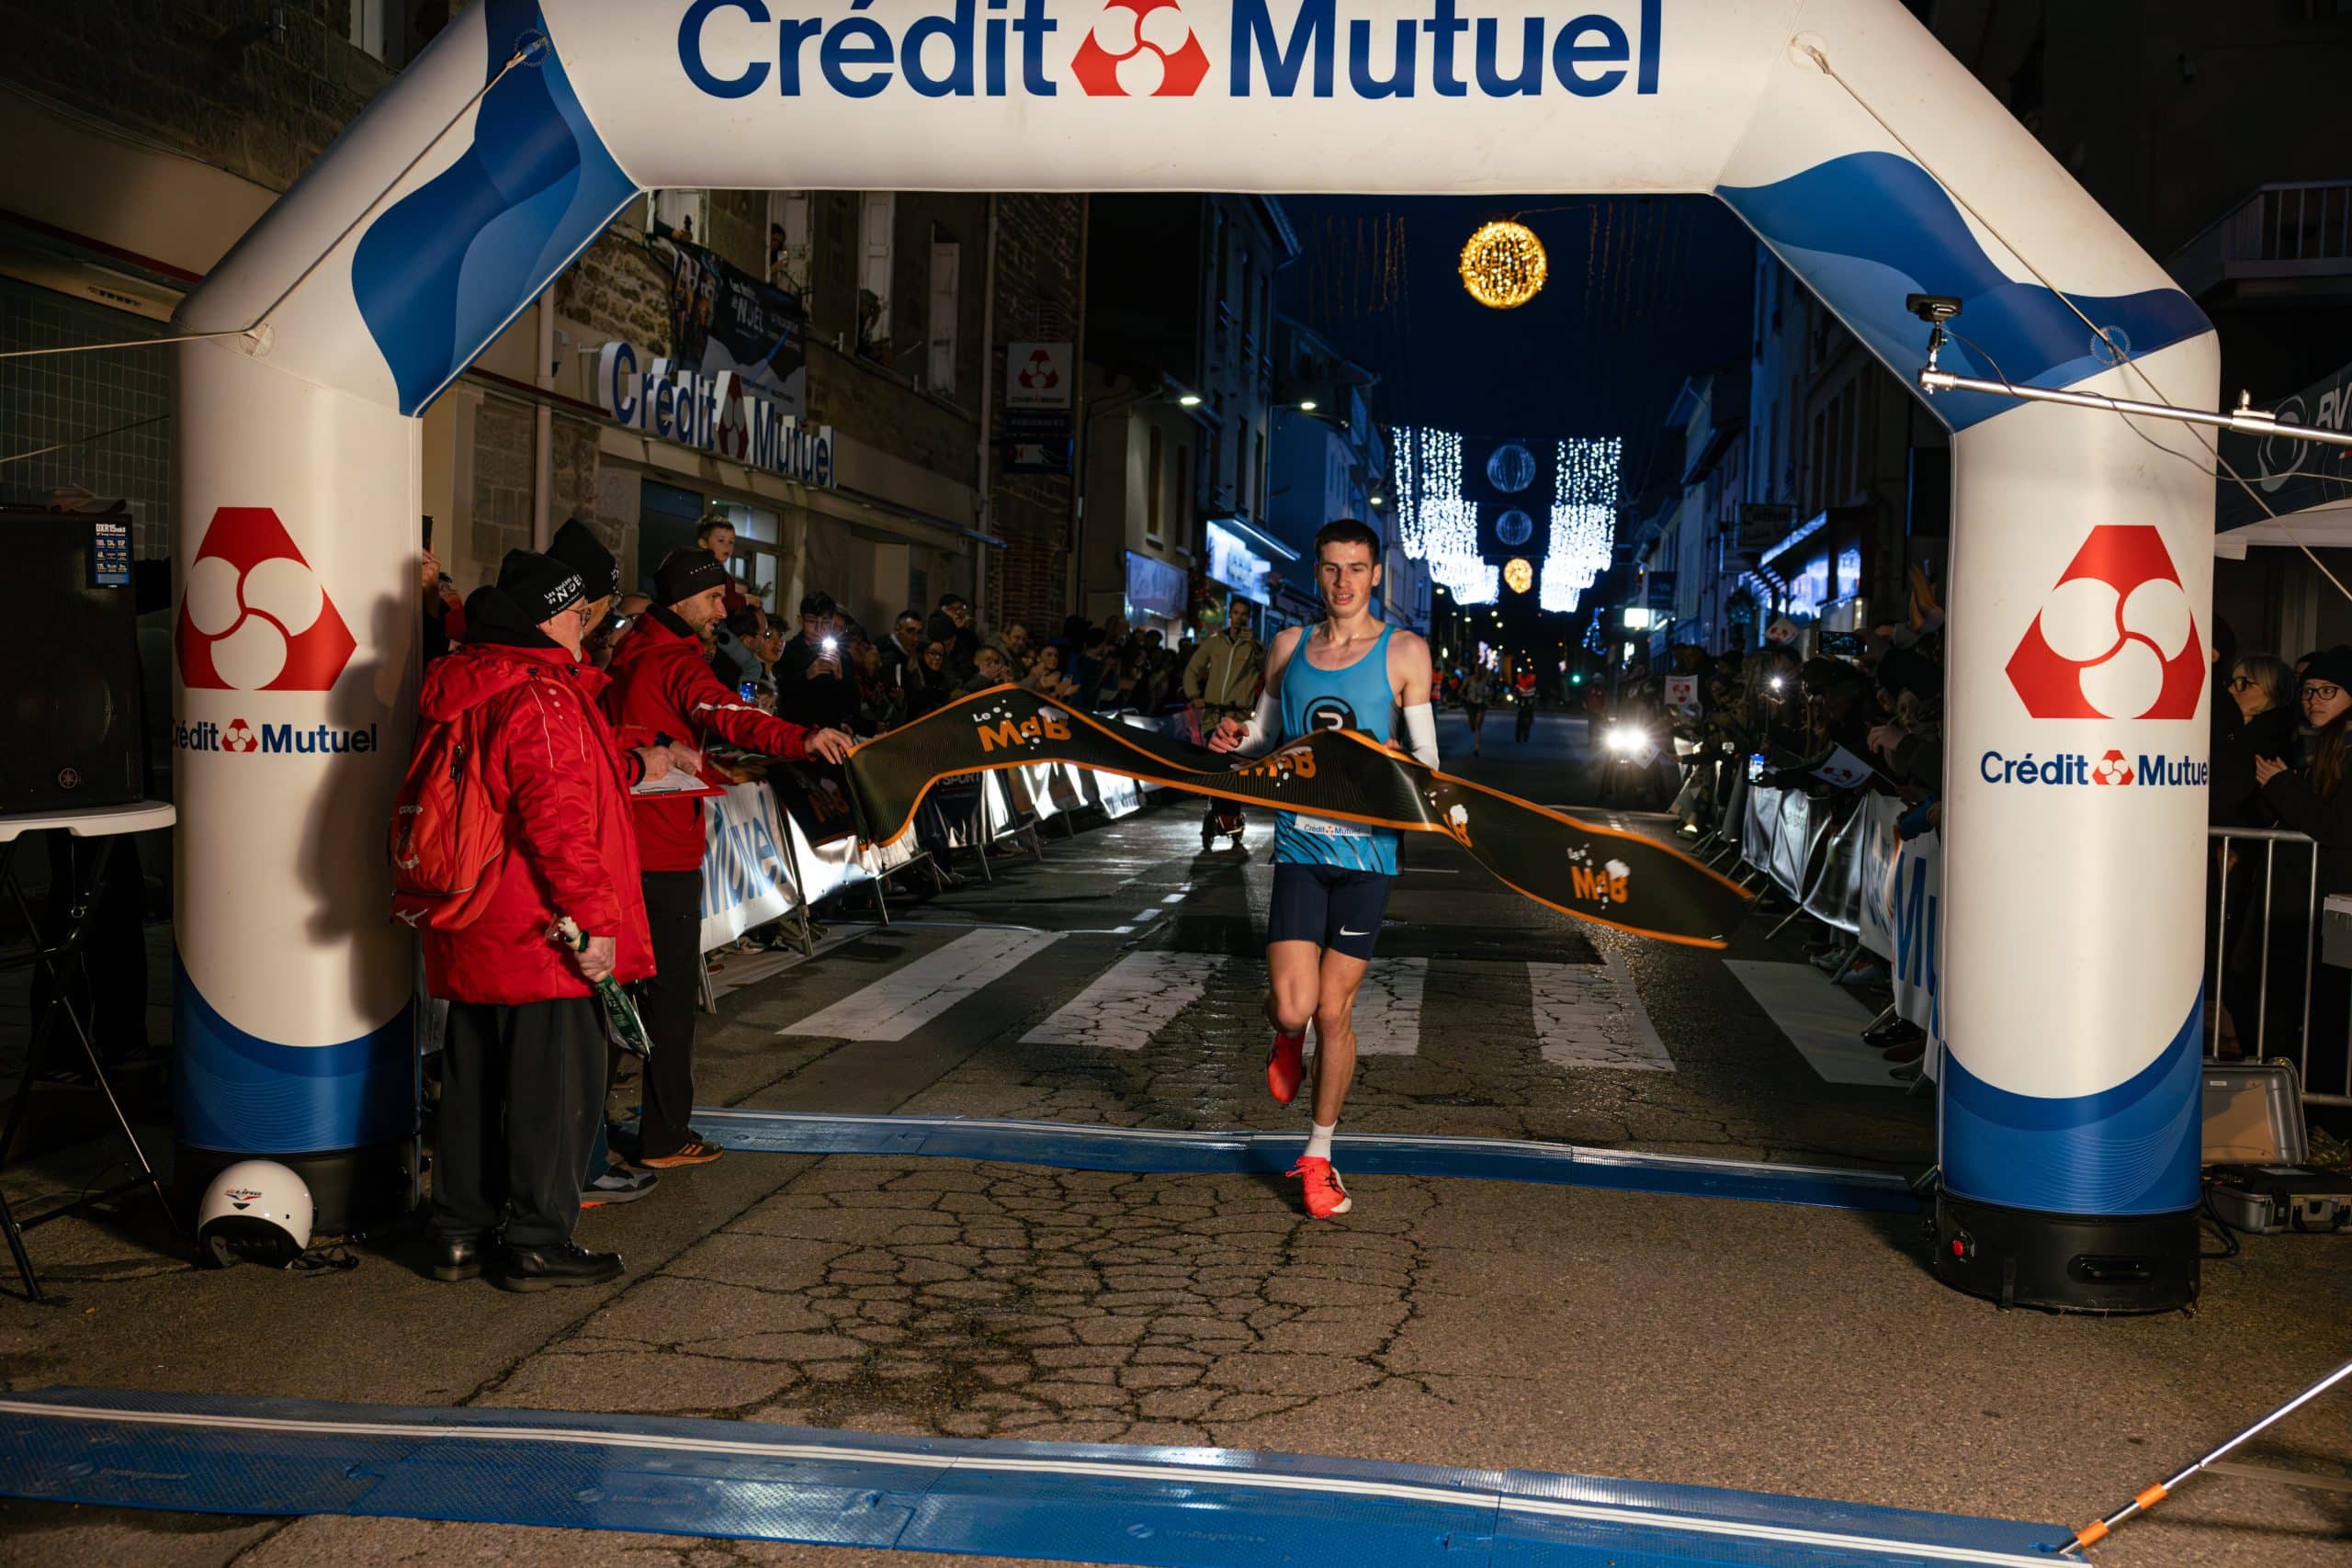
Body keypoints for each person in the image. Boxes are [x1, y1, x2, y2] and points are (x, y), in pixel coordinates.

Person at [416, 549, 661, 1290]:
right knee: (551, 1092)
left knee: (471, 1084)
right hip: (541, 930)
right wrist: (597, 922)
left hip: (475, 920)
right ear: (550, 617)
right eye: (579, 613)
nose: (586, 625)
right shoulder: (539, 695)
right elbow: (559, 823)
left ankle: (458, 1233)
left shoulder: (471, 679)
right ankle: (535, 1241)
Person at [1209, 519, 1437, 1221]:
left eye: (1357, 568)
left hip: (1368, 858)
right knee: (1293, 1007)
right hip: (1301, 849)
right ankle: (1286, 1034)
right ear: (1318, 571)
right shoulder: (1288, 646)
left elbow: (1427, 764)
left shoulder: (1405, 651)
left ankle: (1318, 1155)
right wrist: (1234, 738)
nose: (1344, 581)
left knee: (1333, 1010)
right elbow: (1262, 737)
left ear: (1376, 575)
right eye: (1332, 567)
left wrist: (1388, 764)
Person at [602, 549, 854, 1168]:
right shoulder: (672, 658)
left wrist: (711, 765)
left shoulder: (633, 650)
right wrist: (802, 737)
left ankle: (586, 1140)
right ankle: (663, 1136)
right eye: (714, 598)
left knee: (615, 994)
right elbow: (726, 712)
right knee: (669, 999)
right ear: (682, 597)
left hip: (624, 841)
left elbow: (658, 738)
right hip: (661, 848)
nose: (721, 611)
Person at [2256, 649, 2352, 1094]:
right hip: (2309, 900)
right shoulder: (2310, 746)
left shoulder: (2341, 752)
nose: (2314, 699)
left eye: (2328, 691)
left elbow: (2336, 827)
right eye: (2309, 690)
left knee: (2330, 1006)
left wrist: (2282, 787)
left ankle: (2323, 1106)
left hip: (2338, 905)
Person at [695, 513, 749, 613]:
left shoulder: (721, 572)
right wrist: (746, 599)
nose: (727, 546)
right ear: (703, 543)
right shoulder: (700, 570)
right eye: (721, 540)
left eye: (731, 542)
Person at [1459, 665, 1493, 757]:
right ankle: (1474, 731)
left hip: (1481, 704)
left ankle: (1477, 747)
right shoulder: (1469, 679)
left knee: (1478, 726)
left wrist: (1487, 695)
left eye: (1481, 671)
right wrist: (1466, 697)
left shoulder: (1485, 680)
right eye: (1477, 670)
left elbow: (1490, 691)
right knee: (1473, 726)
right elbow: (1461, 691)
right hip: (1471, 704)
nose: (1479, 673)